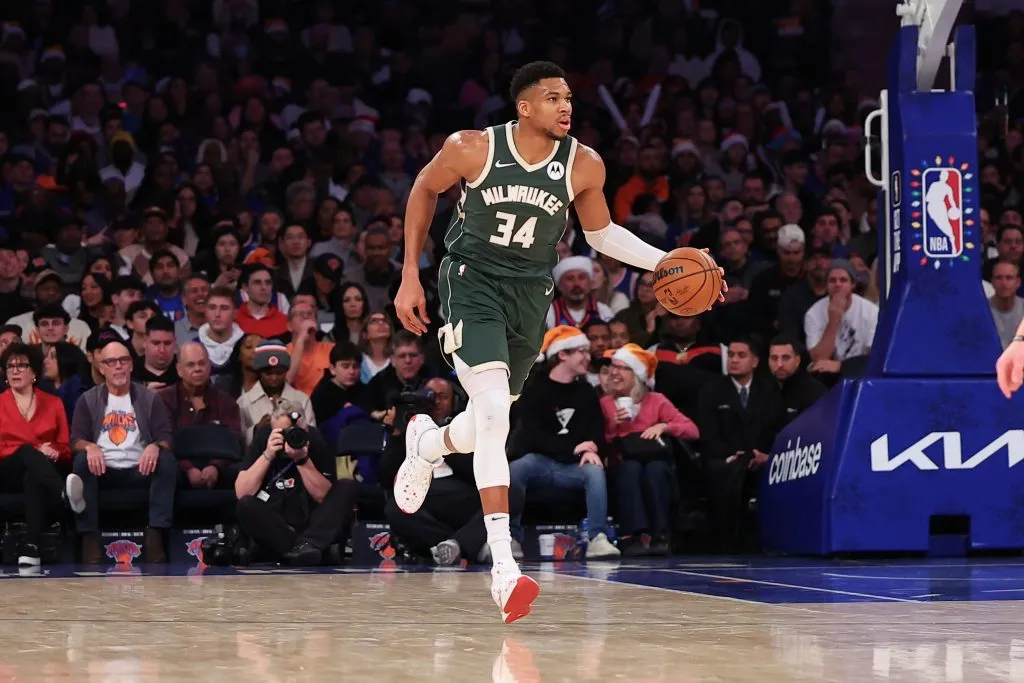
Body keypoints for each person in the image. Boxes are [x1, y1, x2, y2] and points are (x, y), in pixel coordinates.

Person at [393, 61, 725, 622]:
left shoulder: (584, 164)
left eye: (568, 97)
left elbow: (601, 234)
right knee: (496, 409)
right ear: (524, 107)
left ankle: (428, 445)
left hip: (529, 295)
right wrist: (408, 273)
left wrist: (666, 262)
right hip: (472, 282)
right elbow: (424, 190)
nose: (565, 106)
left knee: (488, 421)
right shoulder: (473, 147)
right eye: (552, 98)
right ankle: (504, 567)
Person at [510, 327, 619, 559]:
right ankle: (511, 538)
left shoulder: (586, 391)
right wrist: (572, 447)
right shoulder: (535, 389)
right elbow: (531, 436)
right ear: (563, 355)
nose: (588, 357)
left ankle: (597, 538)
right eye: (582, 351)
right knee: (516, 470)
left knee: (595, 472)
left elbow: (597, 431)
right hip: (539, 461)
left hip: (572, 465)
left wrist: (592, 449)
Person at [70, 339, 176, 563]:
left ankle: (155, 534)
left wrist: (154, 446)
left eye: (123, 360)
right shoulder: (88, 400)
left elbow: (166, 439)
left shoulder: (149, 399)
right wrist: (90, 447)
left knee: (166, 461)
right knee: (81, 462)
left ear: (130, 365)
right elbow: (76, 440)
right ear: (102, 368)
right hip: (102, 471)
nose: (118, 366)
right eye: (111, 362)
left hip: (140, 470)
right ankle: (89, 538)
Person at [600, 344, 698, 556]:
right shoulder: (605, 404)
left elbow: (693, 431)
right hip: (620, 465)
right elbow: (599, 442)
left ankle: (660, 535)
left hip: (654, 462)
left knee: (655, 468)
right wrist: (613, 427)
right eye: (613, 367)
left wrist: (664, 426)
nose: (614, 373)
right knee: (631, 468)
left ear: (636, 375)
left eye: (622, 368)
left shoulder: (656, 401)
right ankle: (632, 536)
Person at [235, 400, 358, 565]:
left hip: (311, 523)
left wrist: (302, 460)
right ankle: (302, 549)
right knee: (246, 504)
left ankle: (305, 545)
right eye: (282, 432)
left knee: (346, 486)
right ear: (273, 428)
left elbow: (324, 496)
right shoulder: (264, 437)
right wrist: (268, 455)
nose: (289, 437)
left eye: (294, 432)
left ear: (305, 428)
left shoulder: (314, 438)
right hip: (276, 525)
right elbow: (242, 492)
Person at [0, 343, 86, 567]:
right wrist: (33, 449)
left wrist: (54, 451)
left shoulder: (54, 403)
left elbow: (65, 447)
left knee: (33, 476)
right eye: (10, 366)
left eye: (22, 365)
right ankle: (63, 493)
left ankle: (32, 546)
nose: (15, 370)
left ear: (34, 372)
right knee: (28, 452)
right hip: (6, 469)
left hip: (40, 470)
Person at [158, 342, 243, 489]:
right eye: (190, 365)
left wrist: (215, 466)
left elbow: (234, 441)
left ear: (209, 367)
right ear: (179, 370)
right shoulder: (164, 399)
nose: (197, 369)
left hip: (219, 468)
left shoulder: (226, 401)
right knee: (165, 467)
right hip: (178, 467)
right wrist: (188, 468)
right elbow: (164, 440)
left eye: (202, 364)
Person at [237, 339, 316, 446]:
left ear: (286, 371)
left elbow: (313, 436)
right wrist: (256, 430)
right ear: (259, 372)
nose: (274, 377)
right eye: (268, 373)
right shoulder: (244, 402)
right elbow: (239, 442)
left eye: (279, 373)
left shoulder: (301, 399)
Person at [767, 335, 828, 422]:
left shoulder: (815, 392)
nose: (779, 364)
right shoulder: (762, 390)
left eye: (785, 358)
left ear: (797, 360)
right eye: (774, 358)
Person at [310, 340, 370, 424]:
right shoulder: (321, 395)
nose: (351, 371)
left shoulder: (366, 391)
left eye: (355, 366)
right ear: (332, 369)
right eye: (345, 366)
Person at [286, 299, 333, 396]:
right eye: (300, 314)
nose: (306, 317)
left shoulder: (332, 350)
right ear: (289, 326)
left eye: (310, 314)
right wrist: (301, 339)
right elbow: (286, 381)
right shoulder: (282, 352)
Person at [197, 286, 245, 374]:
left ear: (235, 313)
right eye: (212, 308)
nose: (217, 314)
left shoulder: (247, 346)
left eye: (224, 308)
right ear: (205, 312)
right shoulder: (194, 347)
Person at [133, 315, 178, 390]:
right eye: (156, 343)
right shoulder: (131, 372)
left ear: (175, 341)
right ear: (144, 341)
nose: (162, 350)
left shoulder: (185, 370)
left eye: (167, 343)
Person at [989, 261, 1024, 348]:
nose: (1004, 283)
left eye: (1009, 278)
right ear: (992, 282)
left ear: (1018, 282)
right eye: (998, 278)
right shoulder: (982, 310)